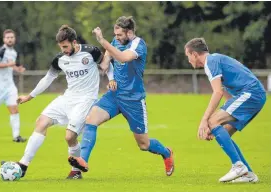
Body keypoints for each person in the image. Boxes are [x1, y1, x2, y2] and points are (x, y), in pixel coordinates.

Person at [1, 25, 115, 179]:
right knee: (41, 122)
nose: (63, 50)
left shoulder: (90, 51)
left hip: (86, 100)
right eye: (61, 47)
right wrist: (30, 96)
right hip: (67, 98)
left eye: (66, 46)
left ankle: (76, 171)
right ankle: (23, 164)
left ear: (74, 42)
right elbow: (47, 78)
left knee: (69, 138)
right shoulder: (60, 59)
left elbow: (106, 66)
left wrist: (112, 79)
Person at [68, 16, 175, 177]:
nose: (116, 38)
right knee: (91, 119)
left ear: (130, 32)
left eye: (119, 35)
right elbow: (105, 64)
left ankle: (166, 153)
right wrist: (92, 60)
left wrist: (102, 41)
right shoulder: (116, 41)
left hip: (133, 100)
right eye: (115, 35)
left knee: (144, 145)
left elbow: (123, 57)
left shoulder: (139, 44)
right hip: (114, 95)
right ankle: (82, 161)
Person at [184, 37, 266, 183]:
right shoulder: (217, 60)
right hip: (255, 95)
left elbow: (217, 93)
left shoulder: (210, 62)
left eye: (188, 56)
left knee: (212, 120)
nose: (188, 60)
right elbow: (228, 99)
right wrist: (215, 127)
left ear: (195, 54)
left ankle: (238, 166)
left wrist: (205, 121)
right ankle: (248, 174)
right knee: (224, 132)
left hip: (251, 94)